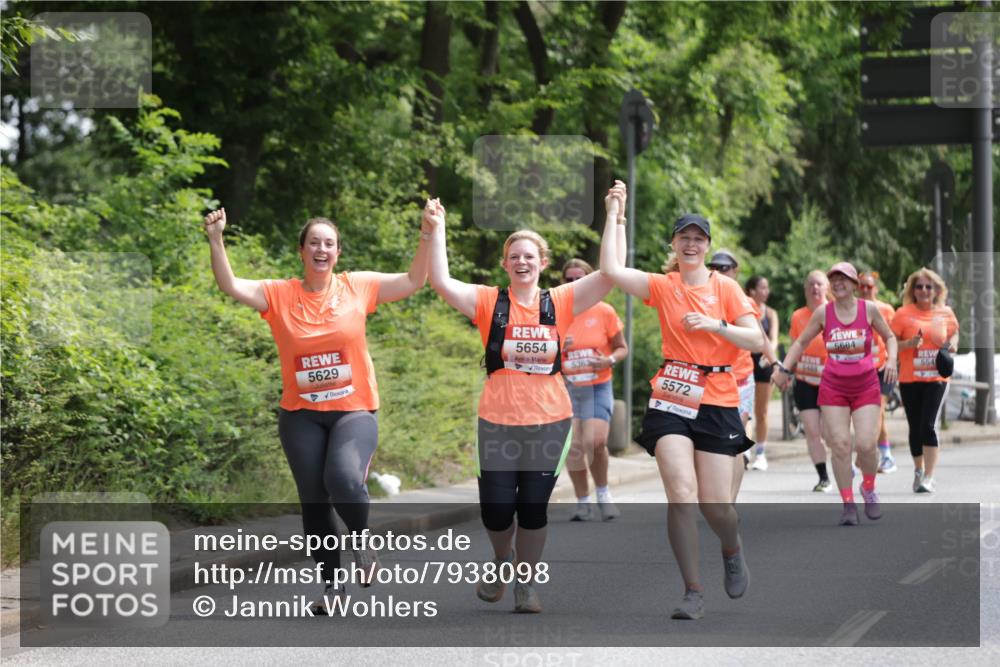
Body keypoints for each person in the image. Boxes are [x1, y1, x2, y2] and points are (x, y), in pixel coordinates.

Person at [203, 205, 431, 613]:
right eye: (314, 243)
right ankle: (332, 589)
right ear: (302, 251)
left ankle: (361, 543)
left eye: (329, 243)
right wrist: (217, 239)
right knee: (313, 501)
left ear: (338, 253)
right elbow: (231, 285)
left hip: (354, 410)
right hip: (300, 414)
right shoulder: (279, 293)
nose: (321, 249)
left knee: (343, 479)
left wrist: (428, 233)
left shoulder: (357, 287)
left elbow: (415, 280)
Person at [425, 184, 627, 613]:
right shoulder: (488, 302)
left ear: (543, 264)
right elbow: (440, 282)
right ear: (505, 264)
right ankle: (502, 561)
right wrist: (435, 229)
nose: (521, 262)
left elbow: (610, 273)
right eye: (514, 256)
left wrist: (614, 215)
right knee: (497, 512)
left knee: (533, 509)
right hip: (496, 421)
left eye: (529, 257)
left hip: (550, 420)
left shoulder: (561, 301)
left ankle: (525, 584)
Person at [601, 211, 763, 620]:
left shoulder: (724, 287)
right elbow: (611, 269)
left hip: (719, 397)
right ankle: (692, 590)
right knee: (681, 492)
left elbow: (756, 339)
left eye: (698, 238)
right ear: (673, 245)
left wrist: (716, 325)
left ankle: (731, 546)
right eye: (683, 238)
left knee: (716, 507)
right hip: (673, 392)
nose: (691, 244)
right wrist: (616, 215)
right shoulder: (663, 285)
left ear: (707, 245)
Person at [774, 262, 897, 526]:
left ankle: (868, 487)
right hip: (834, 387)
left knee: (866, 444)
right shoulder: (823, 313)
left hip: (865, 384)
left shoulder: (869, 309)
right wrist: (784, 368)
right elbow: (801, 342)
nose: (839, 283)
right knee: (840, 444)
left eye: (844, 279)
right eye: (834, 279)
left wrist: (892, 361)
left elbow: (890, 337)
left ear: (854, 284)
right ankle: (848, 504)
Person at [559, 259, 628, 522]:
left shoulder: (604, 311)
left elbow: (622, 348)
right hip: (568, 387)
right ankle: (582, 501)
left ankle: (603, 494)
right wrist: (557, 347)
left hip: (598, 385)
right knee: (574, 446)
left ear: (589, 280)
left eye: (580, 278)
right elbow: (539, 353)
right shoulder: (555, 313)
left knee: (595, 441)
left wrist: (608, 360)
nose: (574, 283)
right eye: (569, 279)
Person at [705, 252, 776, 501]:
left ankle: (729, 502)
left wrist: (776, 362)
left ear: (735, 271)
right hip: (708, 381)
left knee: (733, 441)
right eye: (714, 267)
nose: (719, 272)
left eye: (725, 268)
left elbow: (760, 338)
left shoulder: (743, 301)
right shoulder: (701, 296)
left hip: (741, 379)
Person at [891, 268, 959, 494]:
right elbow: (890, 344)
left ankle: (929, 477)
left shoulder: (945, 313)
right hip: (910, 378)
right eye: (919, 286)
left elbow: (954, 333)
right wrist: (908, 344)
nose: (923, 290)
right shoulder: (902, 313)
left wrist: (952, 345)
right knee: (915, 428)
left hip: (937, 378)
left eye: (928, 286)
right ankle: (918, 470)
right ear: (913, 290)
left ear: (936, 290)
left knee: (928, 425)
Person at [783, 271, 833, 492]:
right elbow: (796, 346)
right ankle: (824, 477)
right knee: (812, 431)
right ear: (806, 289)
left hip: (832, 382)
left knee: (832, 433)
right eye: (811, 284)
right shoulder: (798, 316)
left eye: (819, 284)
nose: (815, 288)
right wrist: (786, 372)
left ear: (827, 288)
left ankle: (843, 461)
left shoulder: (836, 312)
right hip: (805, 381)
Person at [857, 271, 898, 473]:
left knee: (877, 411)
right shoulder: (852, 309)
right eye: (862, 285)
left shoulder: (886, 309)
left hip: (882, 368)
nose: (865, 289)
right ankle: (887, 455)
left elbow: (894, 337)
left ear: (876, 288)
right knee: (871, 414)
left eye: (869, 286)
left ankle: (863, 459)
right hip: (860, 371)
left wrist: (892, 360)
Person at [745, 275, 779, 471]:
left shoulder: (771, 313)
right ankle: (745, 449)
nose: (766, 292)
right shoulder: (744, 308)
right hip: (745, 362)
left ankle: (761, 453)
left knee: (762, 410)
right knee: (745, 409)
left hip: (763, 363)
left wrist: (769, 355)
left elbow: (773, 339)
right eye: (762, 288)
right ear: (752, 291)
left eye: (767, 288)